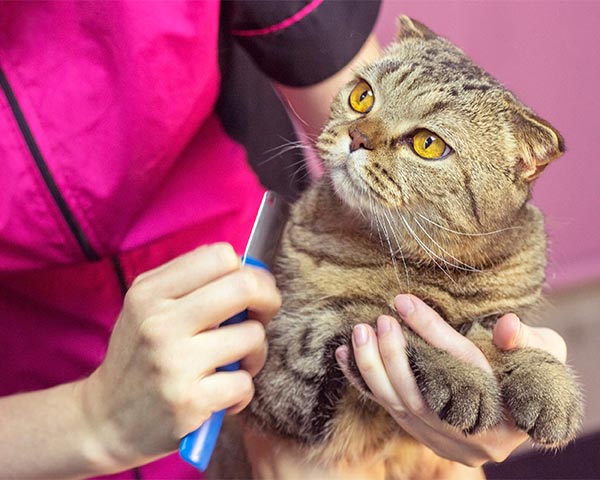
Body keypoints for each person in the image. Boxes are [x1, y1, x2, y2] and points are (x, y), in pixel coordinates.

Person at [0, 1, 568, 478]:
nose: (359, 138)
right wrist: (93, 419)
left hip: (247, 259)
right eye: (364, 102)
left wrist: (509, 364)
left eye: (421, 143)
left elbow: (386, 100)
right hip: (40, 414)